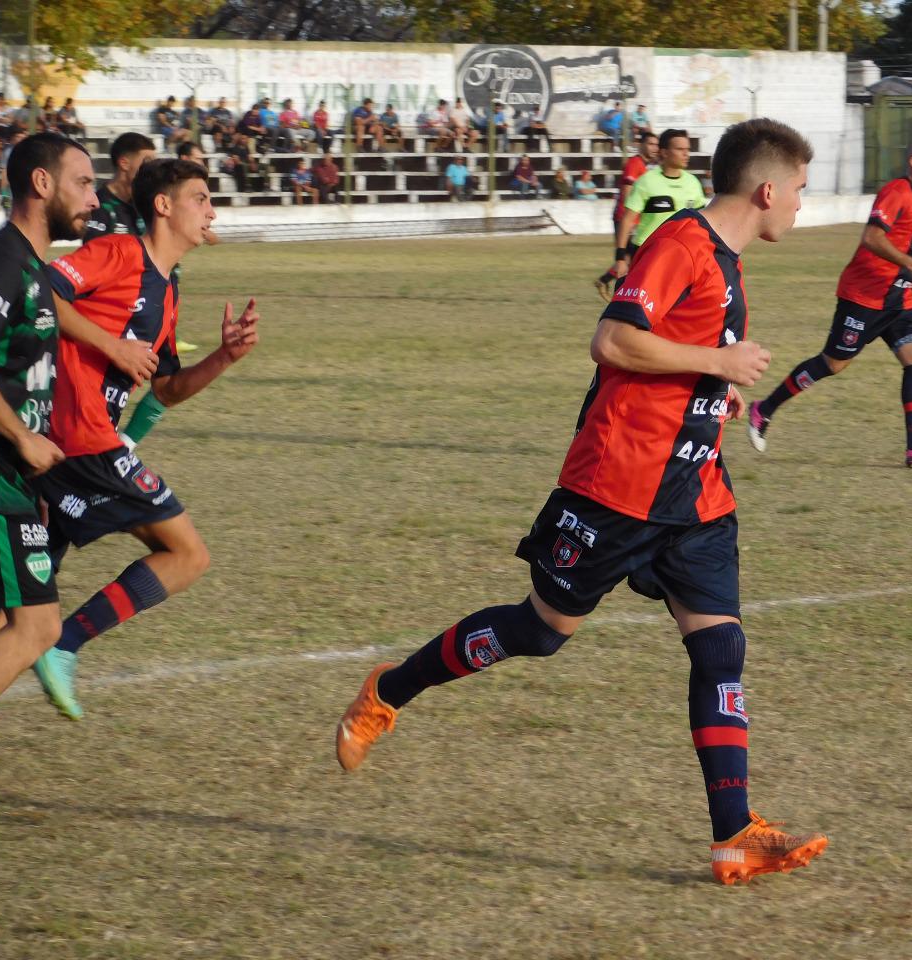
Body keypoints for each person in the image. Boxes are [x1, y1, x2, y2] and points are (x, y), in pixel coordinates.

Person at [335, 117, 828, 886]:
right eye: (800, 188)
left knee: (720, 648)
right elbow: (613, 340)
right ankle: (388, 691)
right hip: (619, 486)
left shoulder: (729, 262)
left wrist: (714, 391)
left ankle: (736, 836)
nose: (803, 201)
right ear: (767, 190)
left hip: (694, 492)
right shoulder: (682, 244)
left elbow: (673, 360)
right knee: (541, 632)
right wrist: (716, 360)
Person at [29, 157, 260, 721]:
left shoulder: (168, 288)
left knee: (14, 606)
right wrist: (112, 346)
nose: (211, 210)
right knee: (188, 554)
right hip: (77, 436)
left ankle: (49, 643)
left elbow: (167, 389)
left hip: (80, 444)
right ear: (163, 205)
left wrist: (225, 357)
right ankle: (65, 644)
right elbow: (37, 291)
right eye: (201, 198)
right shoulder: (119, 252)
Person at [0, 133, 155, 720]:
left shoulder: (30, 268)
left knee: (9, 623)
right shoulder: (3, 260)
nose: (94, 197)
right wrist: (21, 437)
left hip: (14, 481)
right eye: (82, 183)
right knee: (36, 626)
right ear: (41, 184)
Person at [746, 136, 912, 468]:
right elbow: (872, 237)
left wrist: (911, 272)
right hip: (865, 298)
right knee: (832, 365)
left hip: (898, 300)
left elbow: (909, 244)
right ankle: (764, 410)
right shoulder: (897, 192)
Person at [610, 129, 705, 282]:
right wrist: (620, 258)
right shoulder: (646, 182)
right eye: (680, 149)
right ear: (665, 153)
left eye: (687, 149)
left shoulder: (693, 183)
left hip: (681, 254)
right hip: (647, 252)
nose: (686, 154)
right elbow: (627, 220)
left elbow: (702, 222)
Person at [594, 131, 658, 302]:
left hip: (633, 221)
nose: (654, 148)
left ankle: (606, 283)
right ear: (641, 145)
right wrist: (631, 222)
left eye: (656, 145)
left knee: (631, 259)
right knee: (629, 260)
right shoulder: (634, 164)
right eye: (651, 144)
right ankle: (620, 295)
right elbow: (627, 195)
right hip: (626, 220)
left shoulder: (643, 167)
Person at [84, 132, 155, 241]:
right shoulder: (99, 207)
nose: (152, 168)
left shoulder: (145, 204)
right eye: (147, 162)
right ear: (124, 164)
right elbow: (92, 255)